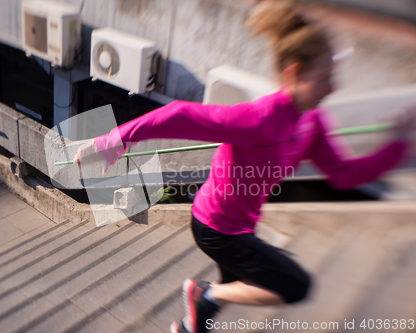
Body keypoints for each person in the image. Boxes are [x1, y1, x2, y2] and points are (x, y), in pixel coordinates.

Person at [73, 1, 416, 332]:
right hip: (216, 227)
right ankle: (201, 294)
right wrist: (109, 143)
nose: (334, 87)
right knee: (295, 285)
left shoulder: (313, 121)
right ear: (294, 72)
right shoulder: (258, 119)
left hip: (243, 224)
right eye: (325, 77)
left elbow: (345, 175)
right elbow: (177, 113)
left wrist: (397, 147)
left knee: (234, 286)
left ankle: (193, 322)